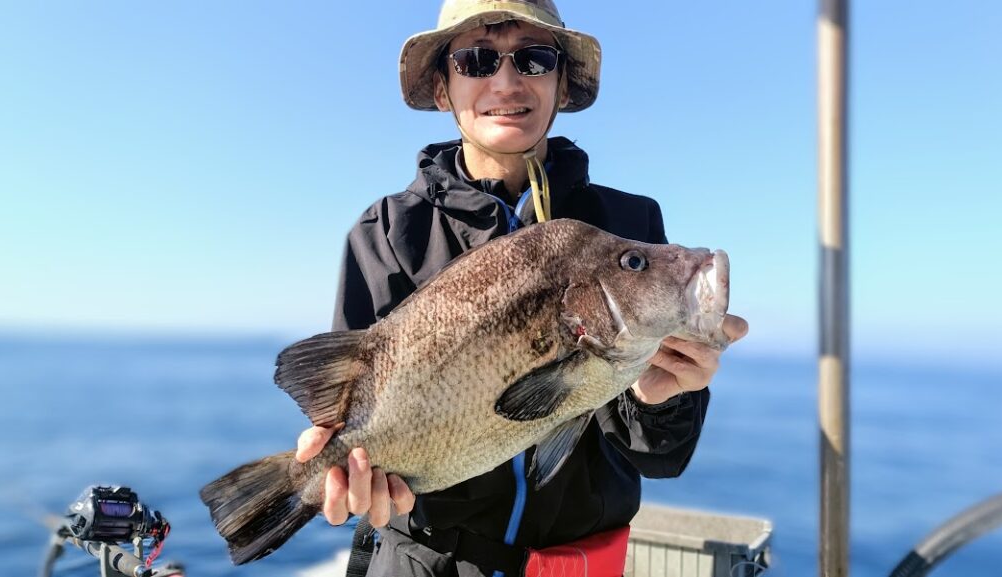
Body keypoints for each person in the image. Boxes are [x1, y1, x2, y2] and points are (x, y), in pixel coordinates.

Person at [295, 1, 748, 575]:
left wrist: (663, 400)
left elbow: (662, 458)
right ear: (441, 88)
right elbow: (350, 404)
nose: (507, 82)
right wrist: (350, 475)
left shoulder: (630, 223)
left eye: (535, 59)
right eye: (476, 60)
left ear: (563, 83)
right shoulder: (384, 232)